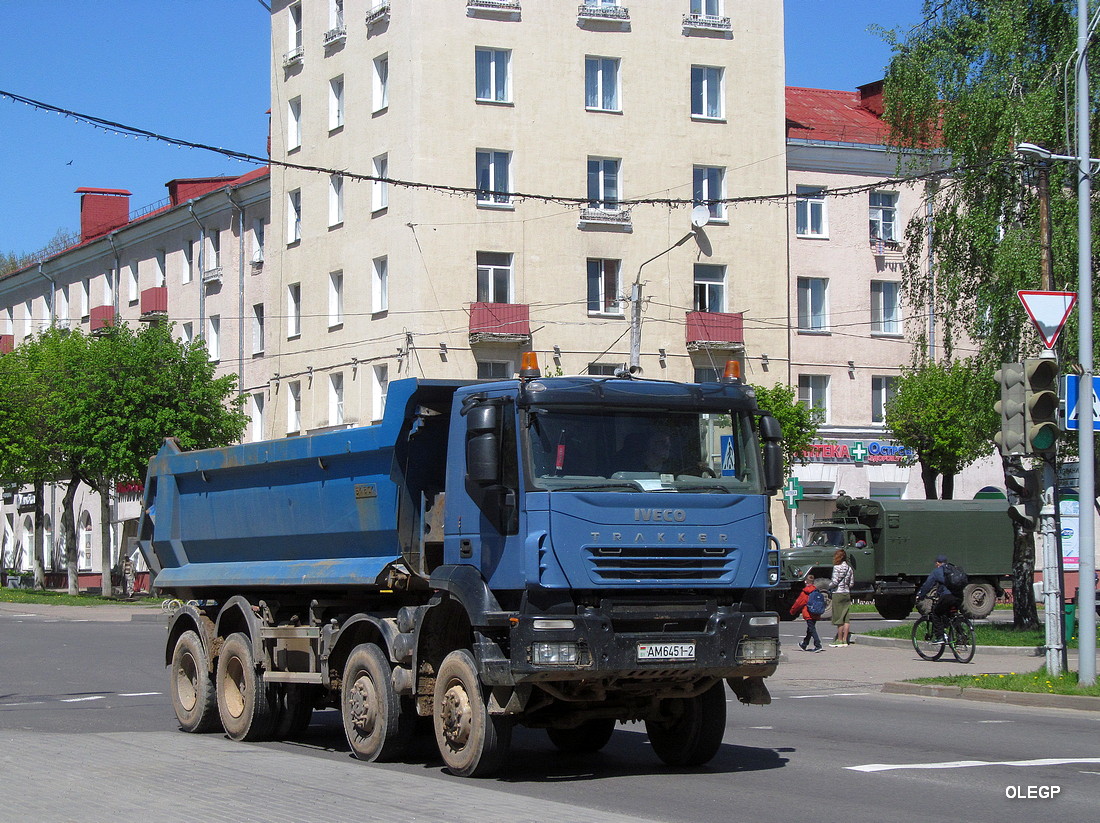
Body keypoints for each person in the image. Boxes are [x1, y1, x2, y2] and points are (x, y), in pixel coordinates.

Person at [915, 554, 959, 636]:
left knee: (936, 613)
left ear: (938, 563)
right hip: (959, 596)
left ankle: (939, 637)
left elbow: (927, 585)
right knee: (952, 616)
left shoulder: (937, 571)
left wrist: (920, 595)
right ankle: (961, 635)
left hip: (947, 596)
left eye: (936, 563)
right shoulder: (954, 569)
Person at [789, 575, 824, 652]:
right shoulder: (816, 591)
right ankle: (804, 644)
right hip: (816, 612)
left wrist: (792, 611)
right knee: (810, 629)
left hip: (808, 613)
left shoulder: (805, 592)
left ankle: (818, 645)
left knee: (812, 629)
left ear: (806, 582)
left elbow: (798, 603)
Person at [829, 549, 854, 646]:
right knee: (846, 618)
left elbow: (835, 582)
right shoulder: (849, 568)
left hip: (838, 593)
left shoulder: (837, 568)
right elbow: (851, 583)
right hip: (846, 593)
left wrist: (829, 586)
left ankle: (839, 640)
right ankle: (845, 640)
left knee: (839, 618)